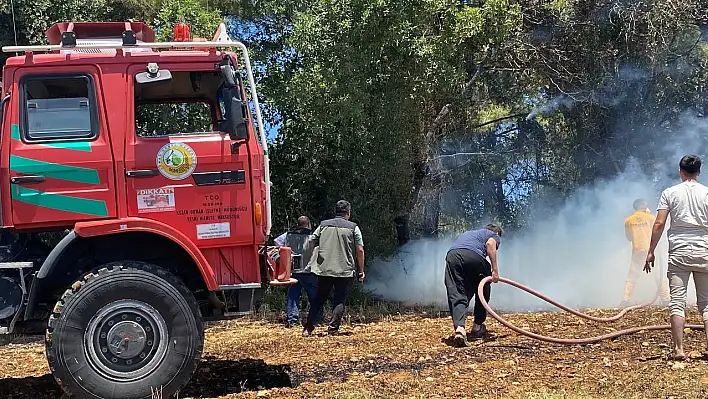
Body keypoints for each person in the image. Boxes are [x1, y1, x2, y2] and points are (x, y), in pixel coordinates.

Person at [645, 155, 708, 360]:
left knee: (677, 302)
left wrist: (651, 250)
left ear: (680, 171)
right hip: (704, 250)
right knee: (706, 304)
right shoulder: (707, 193)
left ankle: (679, 350)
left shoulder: (669, 193)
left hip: (679, 251)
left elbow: (659, 224)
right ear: (698, 172)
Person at [302, 200, 365, 337]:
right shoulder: (353, 227)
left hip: (324, 268)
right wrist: (361, 271)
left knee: (319, 298)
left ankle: (308, 328)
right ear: (348, 212)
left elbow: (311, 240)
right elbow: (360, 249)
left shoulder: (323, 225)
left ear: (335, 212)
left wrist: (314, 256)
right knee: (339, 299)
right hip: (345, 269)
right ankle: (332, 328)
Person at [445, 223, 503, 347]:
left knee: (457, 292)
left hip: (452, 256)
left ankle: (460, 329)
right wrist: (494, 270)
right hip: (473, 256)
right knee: (484, 287)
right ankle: (477, 326)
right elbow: (490, 244)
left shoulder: (469, 233)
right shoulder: (493, 235)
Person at [274, 216, 323, 328]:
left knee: (293, 296)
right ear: (308, 224)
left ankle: (292, 320)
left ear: (298, 224)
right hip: (309, 270)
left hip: (294, 270)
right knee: (314, 296)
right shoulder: (312, 235)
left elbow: (276, 241)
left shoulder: (289, 235)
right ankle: (318, 319)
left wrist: (284, 254)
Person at [622, 199, 670, 307]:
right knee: (658, 275)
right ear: (643, 205)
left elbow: (629, 238)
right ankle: (666, 299)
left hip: (637, 251)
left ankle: (625, 299)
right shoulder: (651, 218)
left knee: (632, 275)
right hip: (650, 252)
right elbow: (657, 231)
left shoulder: (628, 221)